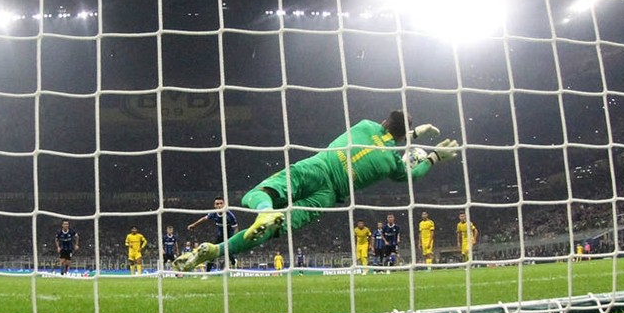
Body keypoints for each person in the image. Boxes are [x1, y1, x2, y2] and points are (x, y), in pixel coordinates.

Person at [173, 110, 458, 272]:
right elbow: (411, 173)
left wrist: (412, 133)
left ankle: (264, 211)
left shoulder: (365, 124)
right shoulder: (392, 161)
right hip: (327, 197)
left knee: (256, 195)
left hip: (318, 166)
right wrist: (432, 158)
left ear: (384, 122)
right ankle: (214, 251)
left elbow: (384, 135)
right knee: (273, 231)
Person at [187, 196, 239, 271]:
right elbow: (204, 219)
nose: (219, 205)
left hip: (229, 237)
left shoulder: (230, 215)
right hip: (220, 236)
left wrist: (234, 239)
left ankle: (234, 262)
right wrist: (194, 225)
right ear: (214, 205)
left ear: (224, 204)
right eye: (217, 204)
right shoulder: (213, 213)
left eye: (221, 203)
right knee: (212, 253)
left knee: (227, 252)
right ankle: (207, 272)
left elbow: (236, 227)